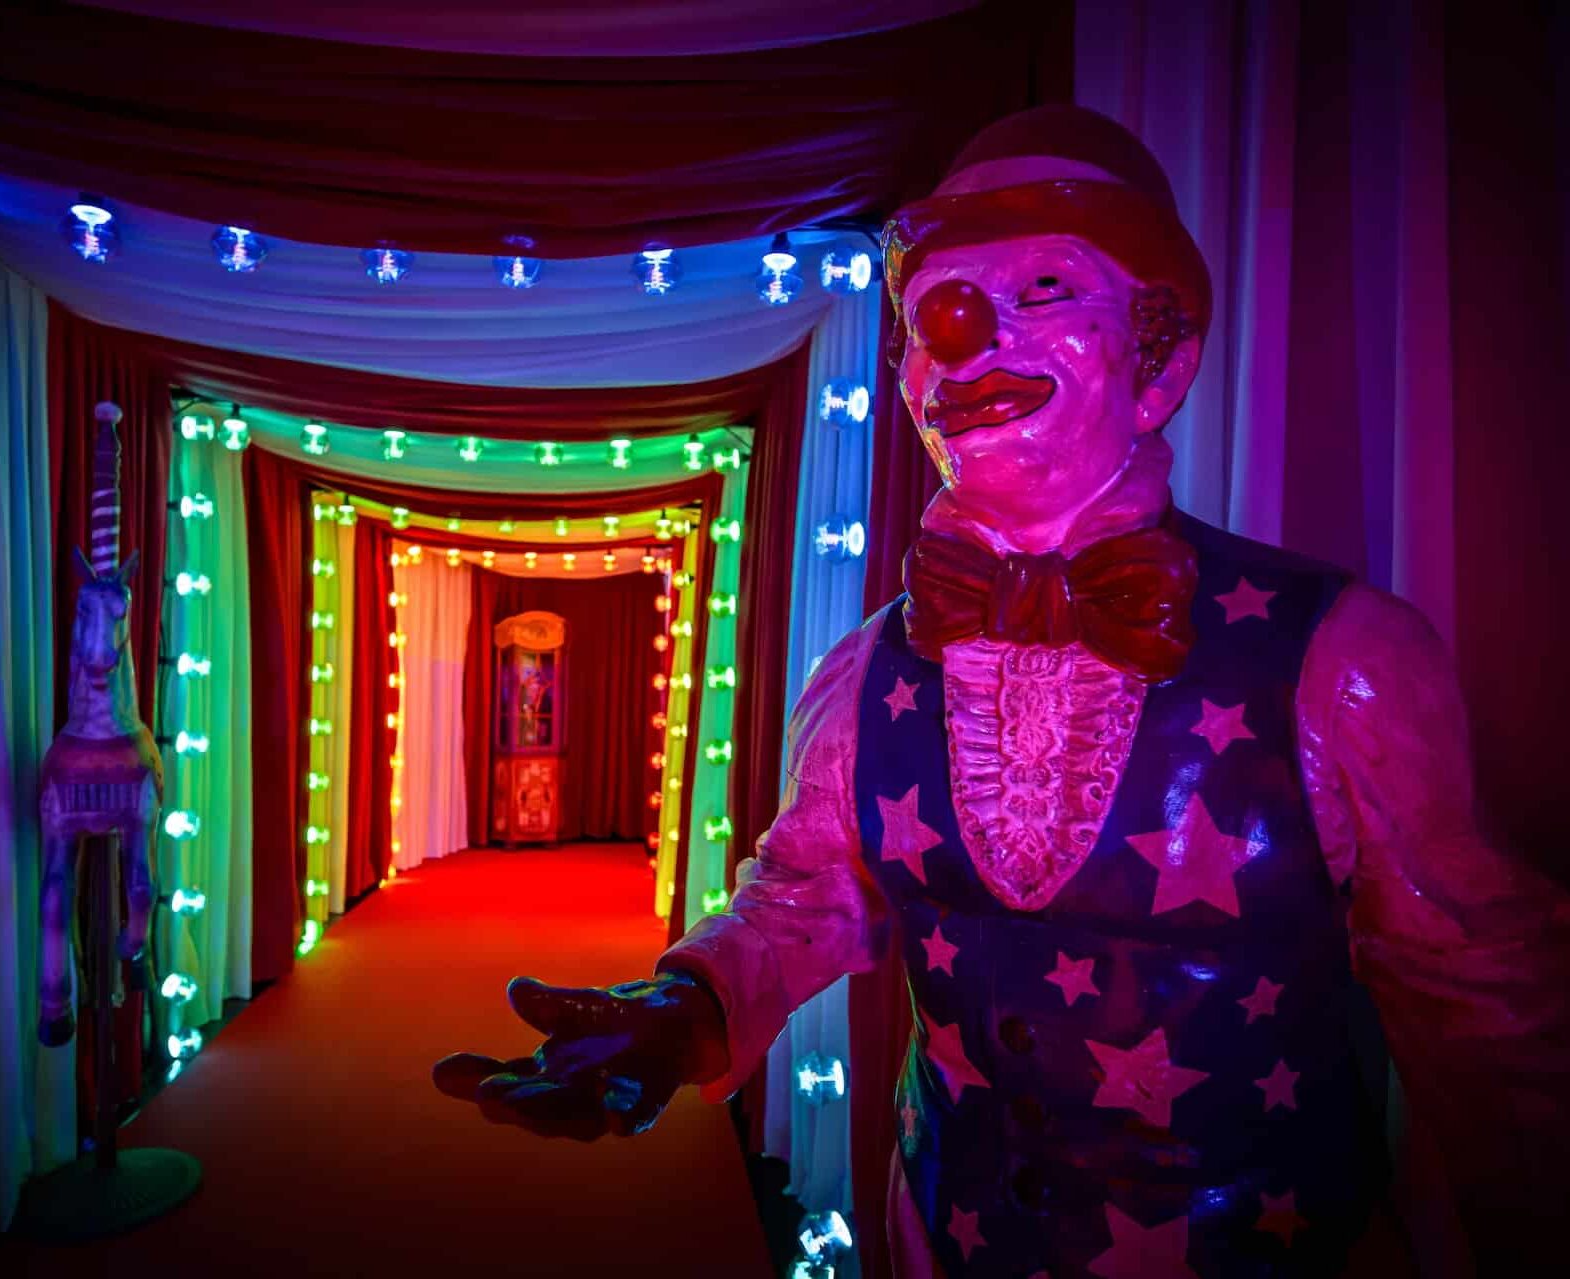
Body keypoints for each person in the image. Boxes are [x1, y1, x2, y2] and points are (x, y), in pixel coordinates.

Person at [434, 105, 1569, 1277]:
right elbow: (805, 895)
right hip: (943, 1237)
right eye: (937, 306)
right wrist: (686, 1008)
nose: (965, 336)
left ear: (1160, 358)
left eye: (1040, 289)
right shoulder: (861, 672)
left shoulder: (1343, 658)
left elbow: (1491, 1023)